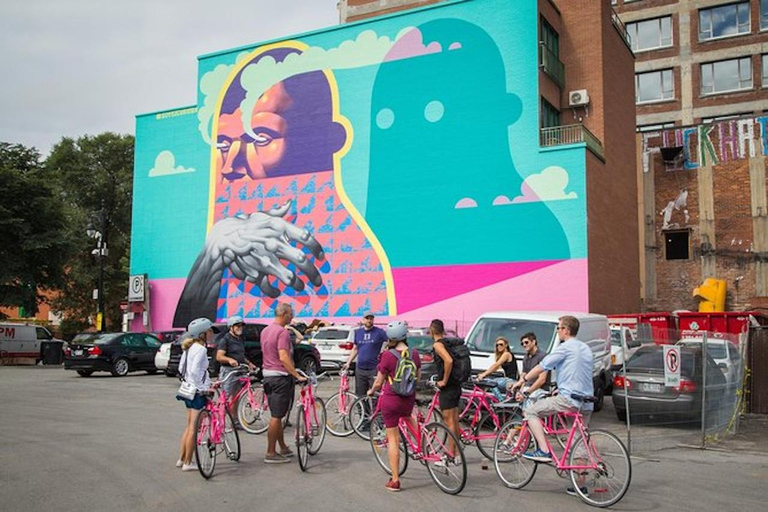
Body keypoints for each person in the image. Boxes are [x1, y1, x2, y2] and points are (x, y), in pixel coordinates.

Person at [521, 316, 594, 470]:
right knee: (578, 442)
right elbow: (576, 372)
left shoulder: (564, 347)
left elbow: (543, 366)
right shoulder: (585, 348)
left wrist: (523, 380)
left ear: (566, 330)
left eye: (559, 328)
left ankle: (543, 450)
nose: (558, 331)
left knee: (530, 412)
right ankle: (579, 485)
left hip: (569, 399)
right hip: (587, 400)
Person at [366, 320, 421, 492]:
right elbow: (417, 376)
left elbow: (379, 380)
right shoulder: (414, 353)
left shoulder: (388, 355)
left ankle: (395, 479)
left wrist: (371, 390)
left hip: (391, 400)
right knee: (409, 417)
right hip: (408, 398)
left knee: (393, 439)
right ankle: (422, 446)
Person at [260, 303, 307, 463]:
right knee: (276, 416)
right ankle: (270, 452)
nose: (292, 317)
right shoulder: (282, 333)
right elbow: (283, 356)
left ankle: (282, 446)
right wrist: (296, 375)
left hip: (267, 375)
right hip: (280, 376)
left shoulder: (265, 331)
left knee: (278, 415)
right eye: (291, 313)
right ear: (285, 314)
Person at [176, 317, 213, 471]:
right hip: (197, 392)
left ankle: (182, 458)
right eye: (209, 331)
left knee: (189, 426)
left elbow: (181, 369)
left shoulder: (189, 348)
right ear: (202, 334)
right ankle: (188, 462)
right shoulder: (201, 349)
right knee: (194, 428)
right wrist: (203, 388)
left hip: (187, 391)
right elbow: (194, 371)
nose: (211, 333)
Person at [430, 319, 461, 451]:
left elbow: (448, 360)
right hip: (456, 385)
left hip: (448, 387)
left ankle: (451, 454)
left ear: (432, 330)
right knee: (454, 420)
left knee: (448, 422)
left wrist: (444, 380)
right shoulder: (448, 343)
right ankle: (457, 453)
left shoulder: (438, 345)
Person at [216, 315, 256, 413]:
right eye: (237, 326)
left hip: (239, 370)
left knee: (236, 396)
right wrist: (229, 360)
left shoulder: (240, 339)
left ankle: (235, 421)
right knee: (225, 397)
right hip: (228, 371)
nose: (240, 328)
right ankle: (219, 420)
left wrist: (249, 363)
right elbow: (219, 356)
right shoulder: (225, 340)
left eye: (241, 326)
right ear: (231, 327)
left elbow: (240, 355)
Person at [343, 312, 388, 398]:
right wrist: (348, 363)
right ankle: (363, 411)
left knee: (375, 394)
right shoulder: (358, 332)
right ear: (363, 320)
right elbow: (355, 349)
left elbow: (391, 340)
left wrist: (385, 350)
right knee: (360, 395)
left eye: (371, 318)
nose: (369, 320)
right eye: (367, 318)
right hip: (360, 368)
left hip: (374, 368)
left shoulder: (379, 332)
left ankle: (376, 411)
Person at [477, 336, 517, 401]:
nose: (499, 346)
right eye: (497, 345)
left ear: (506, 345)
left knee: (490, 382)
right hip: (508, 380)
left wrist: (483, 374)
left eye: (501, 344)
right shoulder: (504, 355)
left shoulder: (507, 354)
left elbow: (495, 365)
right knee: (491, 381)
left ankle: (500, 400)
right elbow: (495, 368)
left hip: (510, 380)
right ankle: (501, 401)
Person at [510, 332, 549, 400]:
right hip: (527, 388)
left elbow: (542, 379)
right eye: (522, 344)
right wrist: (520, 391)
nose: (524, 345)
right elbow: (524, 376)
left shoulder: (542, 356)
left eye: (526, 342)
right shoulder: (526, 358)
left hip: (539, 389)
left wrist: (527, 393)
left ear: (533, 342)